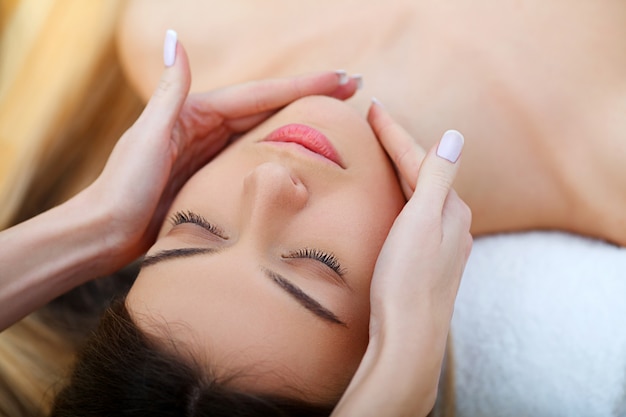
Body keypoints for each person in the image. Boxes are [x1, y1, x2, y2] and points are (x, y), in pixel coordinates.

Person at [0, 32, 472, 417]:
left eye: (195, 226)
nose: (266, 182)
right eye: (316, 262)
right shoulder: (543, 147)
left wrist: (99, 223)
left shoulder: (182, 28)